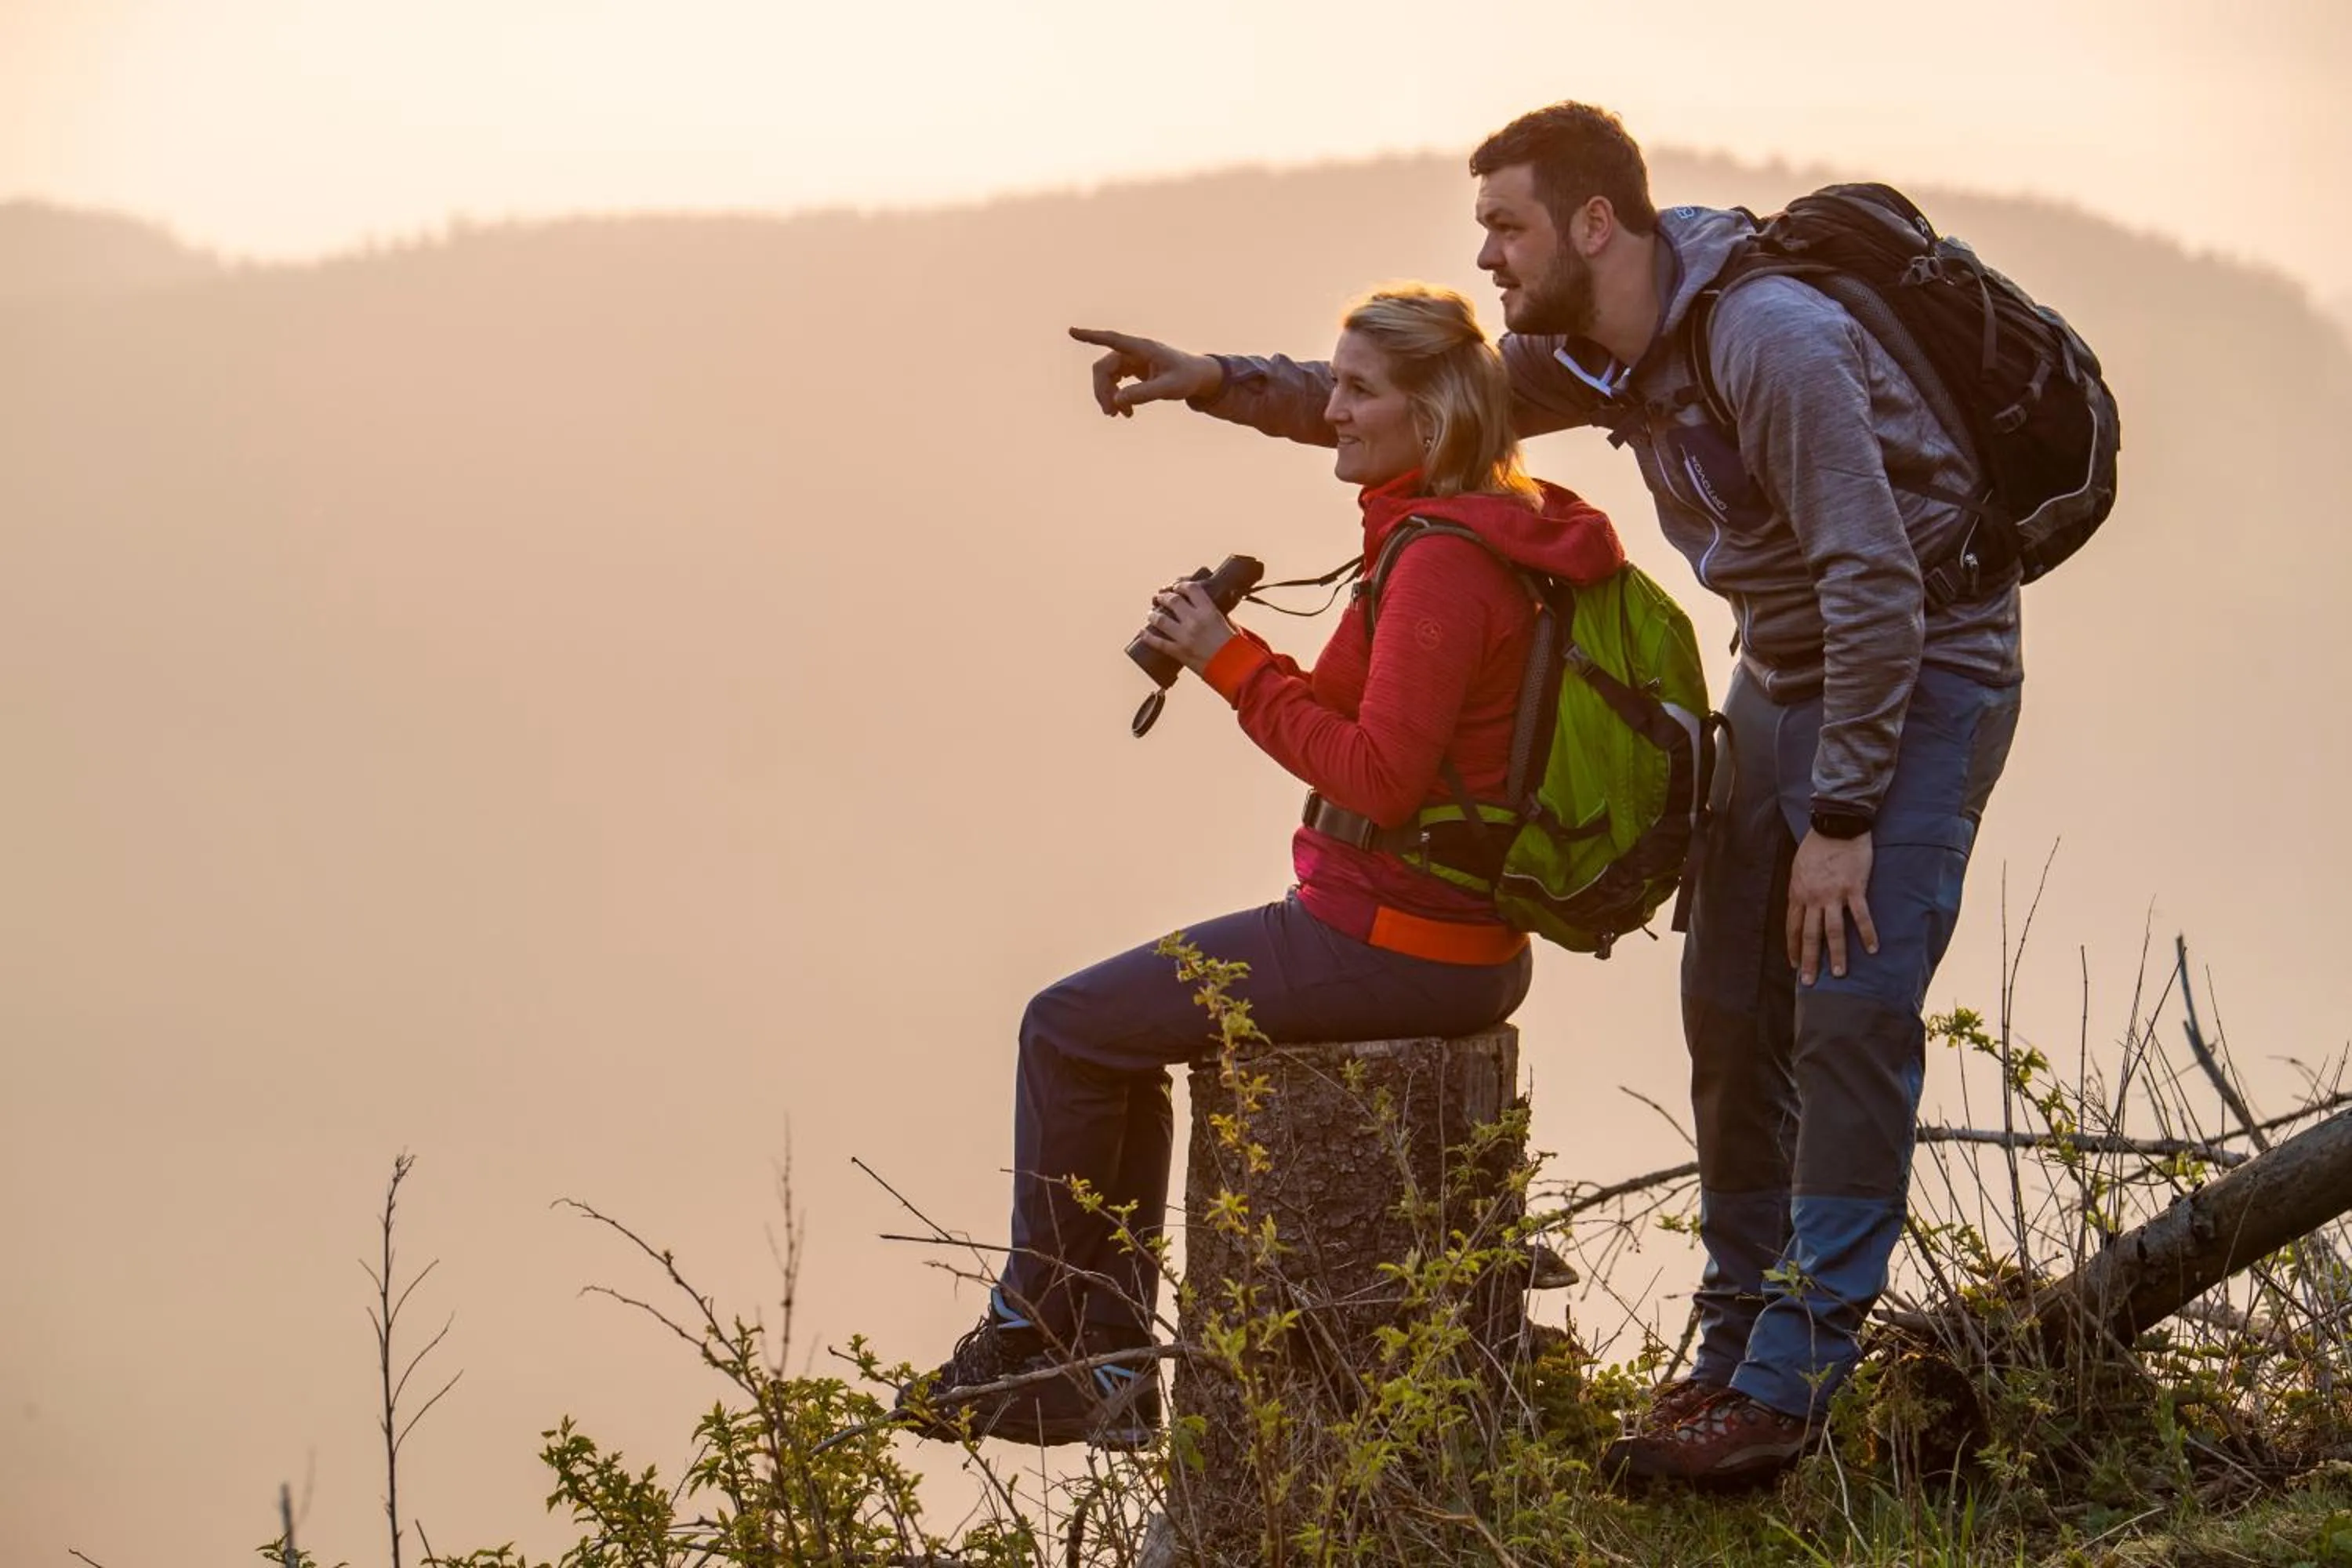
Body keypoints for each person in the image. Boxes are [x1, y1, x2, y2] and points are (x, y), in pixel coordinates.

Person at [1071, 101, 2024, 1489]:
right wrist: (1211, 375)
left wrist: (1843, 818)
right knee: (1731, 1005)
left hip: (1920, 664)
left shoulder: (1770, 341)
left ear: (1594, 223)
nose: (1489, 257)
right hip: (1786, 663)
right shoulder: (1600, 347)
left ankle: (1793, 1378)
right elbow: (1433, 396)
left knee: (1848, 1004)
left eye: (1507, 226)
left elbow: (1878, 580)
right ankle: (1731, 1336)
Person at [898, 283, 1624, 1448]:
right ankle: (1098, 1359)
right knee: (1106, 1034)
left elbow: (1379, 779)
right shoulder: (1453, 530)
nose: (1332, 410)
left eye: (1356, 390)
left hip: (1396, 937)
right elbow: (1346, 707)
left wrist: (1229, 662)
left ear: (1430, 417)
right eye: (1333, 383)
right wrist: (1230, 647)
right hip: (1438, 929)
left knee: (1067, 1025)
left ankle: (1055, 1344)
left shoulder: (1443, 563)